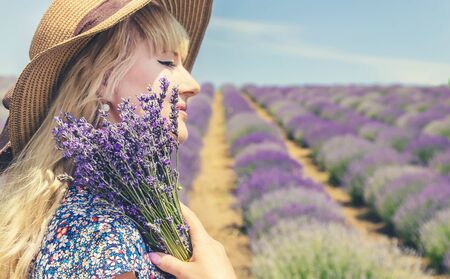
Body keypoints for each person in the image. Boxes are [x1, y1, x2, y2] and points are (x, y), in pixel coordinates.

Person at [0, 1, 237, 278]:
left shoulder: (87, 211)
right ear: (103, 81)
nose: (193, 85)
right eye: (167, 62)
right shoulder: (105, 235)